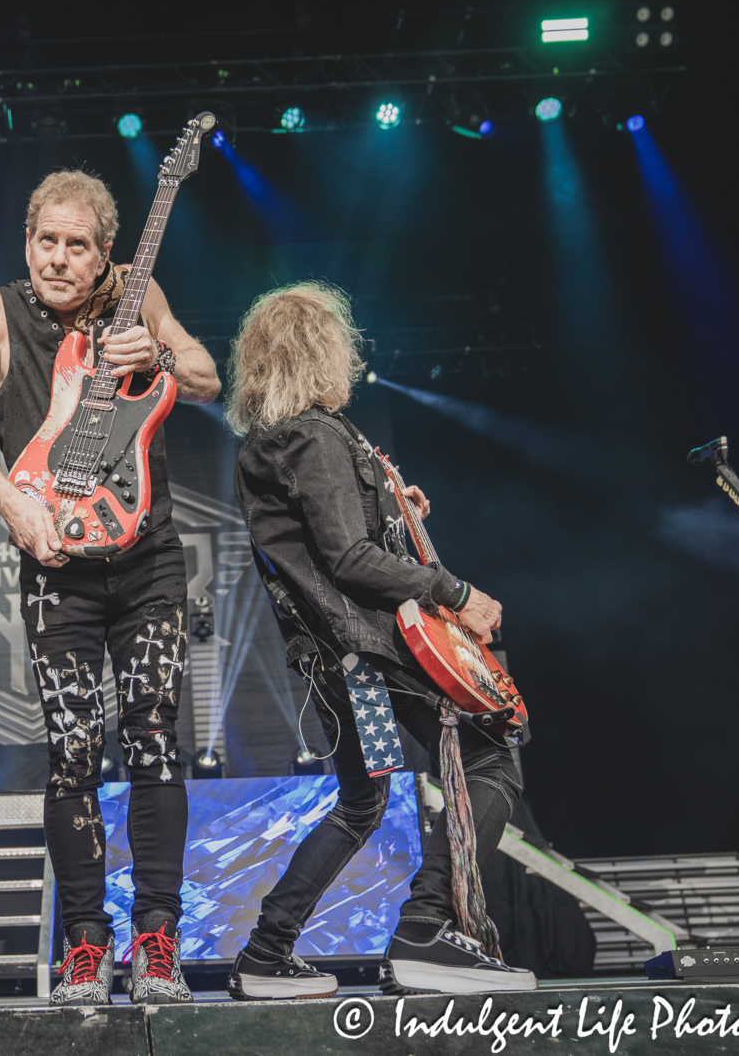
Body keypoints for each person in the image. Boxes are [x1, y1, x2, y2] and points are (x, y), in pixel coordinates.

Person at [0, 170, 220, 1005]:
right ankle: (86, 945)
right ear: (27, 243)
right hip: (57, 562)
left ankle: (157, 940)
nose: (59, 258)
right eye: (46, 240)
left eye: (77, 245)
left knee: (156, 736)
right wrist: (14, 504)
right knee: (73, 754)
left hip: (150, 560)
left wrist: (156, 351)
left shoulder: (138, 295)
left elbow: (206, 373)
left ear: (103, 256)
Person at [225, 282, 536, 998]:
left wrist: (392, 510)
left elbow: (338, 540)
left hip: (332, 650)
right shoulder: (313, 434)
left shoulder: (274, 443)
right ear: (320, 350)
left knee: (361, 802)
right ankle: (427, 928)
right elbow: (349, 559)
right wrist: (458, 592)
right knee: (491, 758)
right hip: (367, 649)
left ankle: (266, 955)